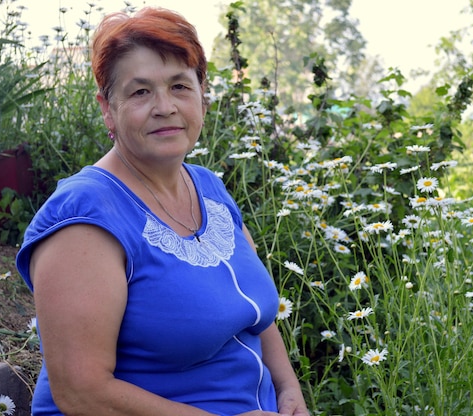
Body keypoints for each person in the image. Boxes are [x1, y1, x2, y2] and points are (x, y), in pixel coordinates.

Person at [16, 7, 309, 416]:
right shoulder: (85, 217)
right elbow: (82, 393)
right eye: (140, 92)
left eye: (179, 86)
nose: (165, 106)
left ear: (201, 95)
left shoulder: (209, 188)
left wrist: (288, 388)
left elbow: (255, 313)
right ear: (106, 108)